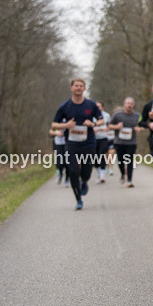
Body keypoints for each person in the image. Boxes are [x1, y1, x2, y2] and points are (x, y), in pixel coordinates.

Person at [52, 78, 103, 210]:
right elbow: (54, 125)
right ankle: (78, 200)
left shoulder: (91, 105)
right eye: (76, 86)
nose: (79, 88)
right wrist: (66, 125)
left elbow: (101, 120)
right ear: (71, 88)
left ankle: (85, 181)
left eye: (81, 86)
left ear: (85, 88)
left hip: (89, 143)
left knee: (86, 171)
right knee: (73, 170)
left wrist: (93, 123)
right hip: (72, 144)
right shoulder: (65, 106)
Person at [109, 97, 142, 187]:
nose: (129, 105)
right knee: (120, 161)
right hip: (119, 142)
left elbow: (143, 124)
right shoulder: (117, 115)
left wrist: (139, 128)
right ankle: (123, 174)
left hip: (131, 142)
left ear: (133, 105)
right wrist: (117, 127)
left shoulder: (137, 116)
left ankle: (129, 180)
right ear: (124, 104)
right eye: (128, 103)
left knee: (130, 161)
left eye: (131, 104)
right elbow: (109, 125)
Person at [93, 101, 112, 183]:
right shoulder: (91, 115)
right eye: (96, 106)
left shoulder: (107, 115)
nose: (98, 108)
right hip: (94, 139)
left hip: (104, 138)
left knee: (102, 154)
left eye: (99, 106)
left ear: (102, 107)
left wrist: (107, 129)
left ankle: (102, 176)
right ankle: (99, 173)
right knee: (95, 157)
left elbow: (110, 125)